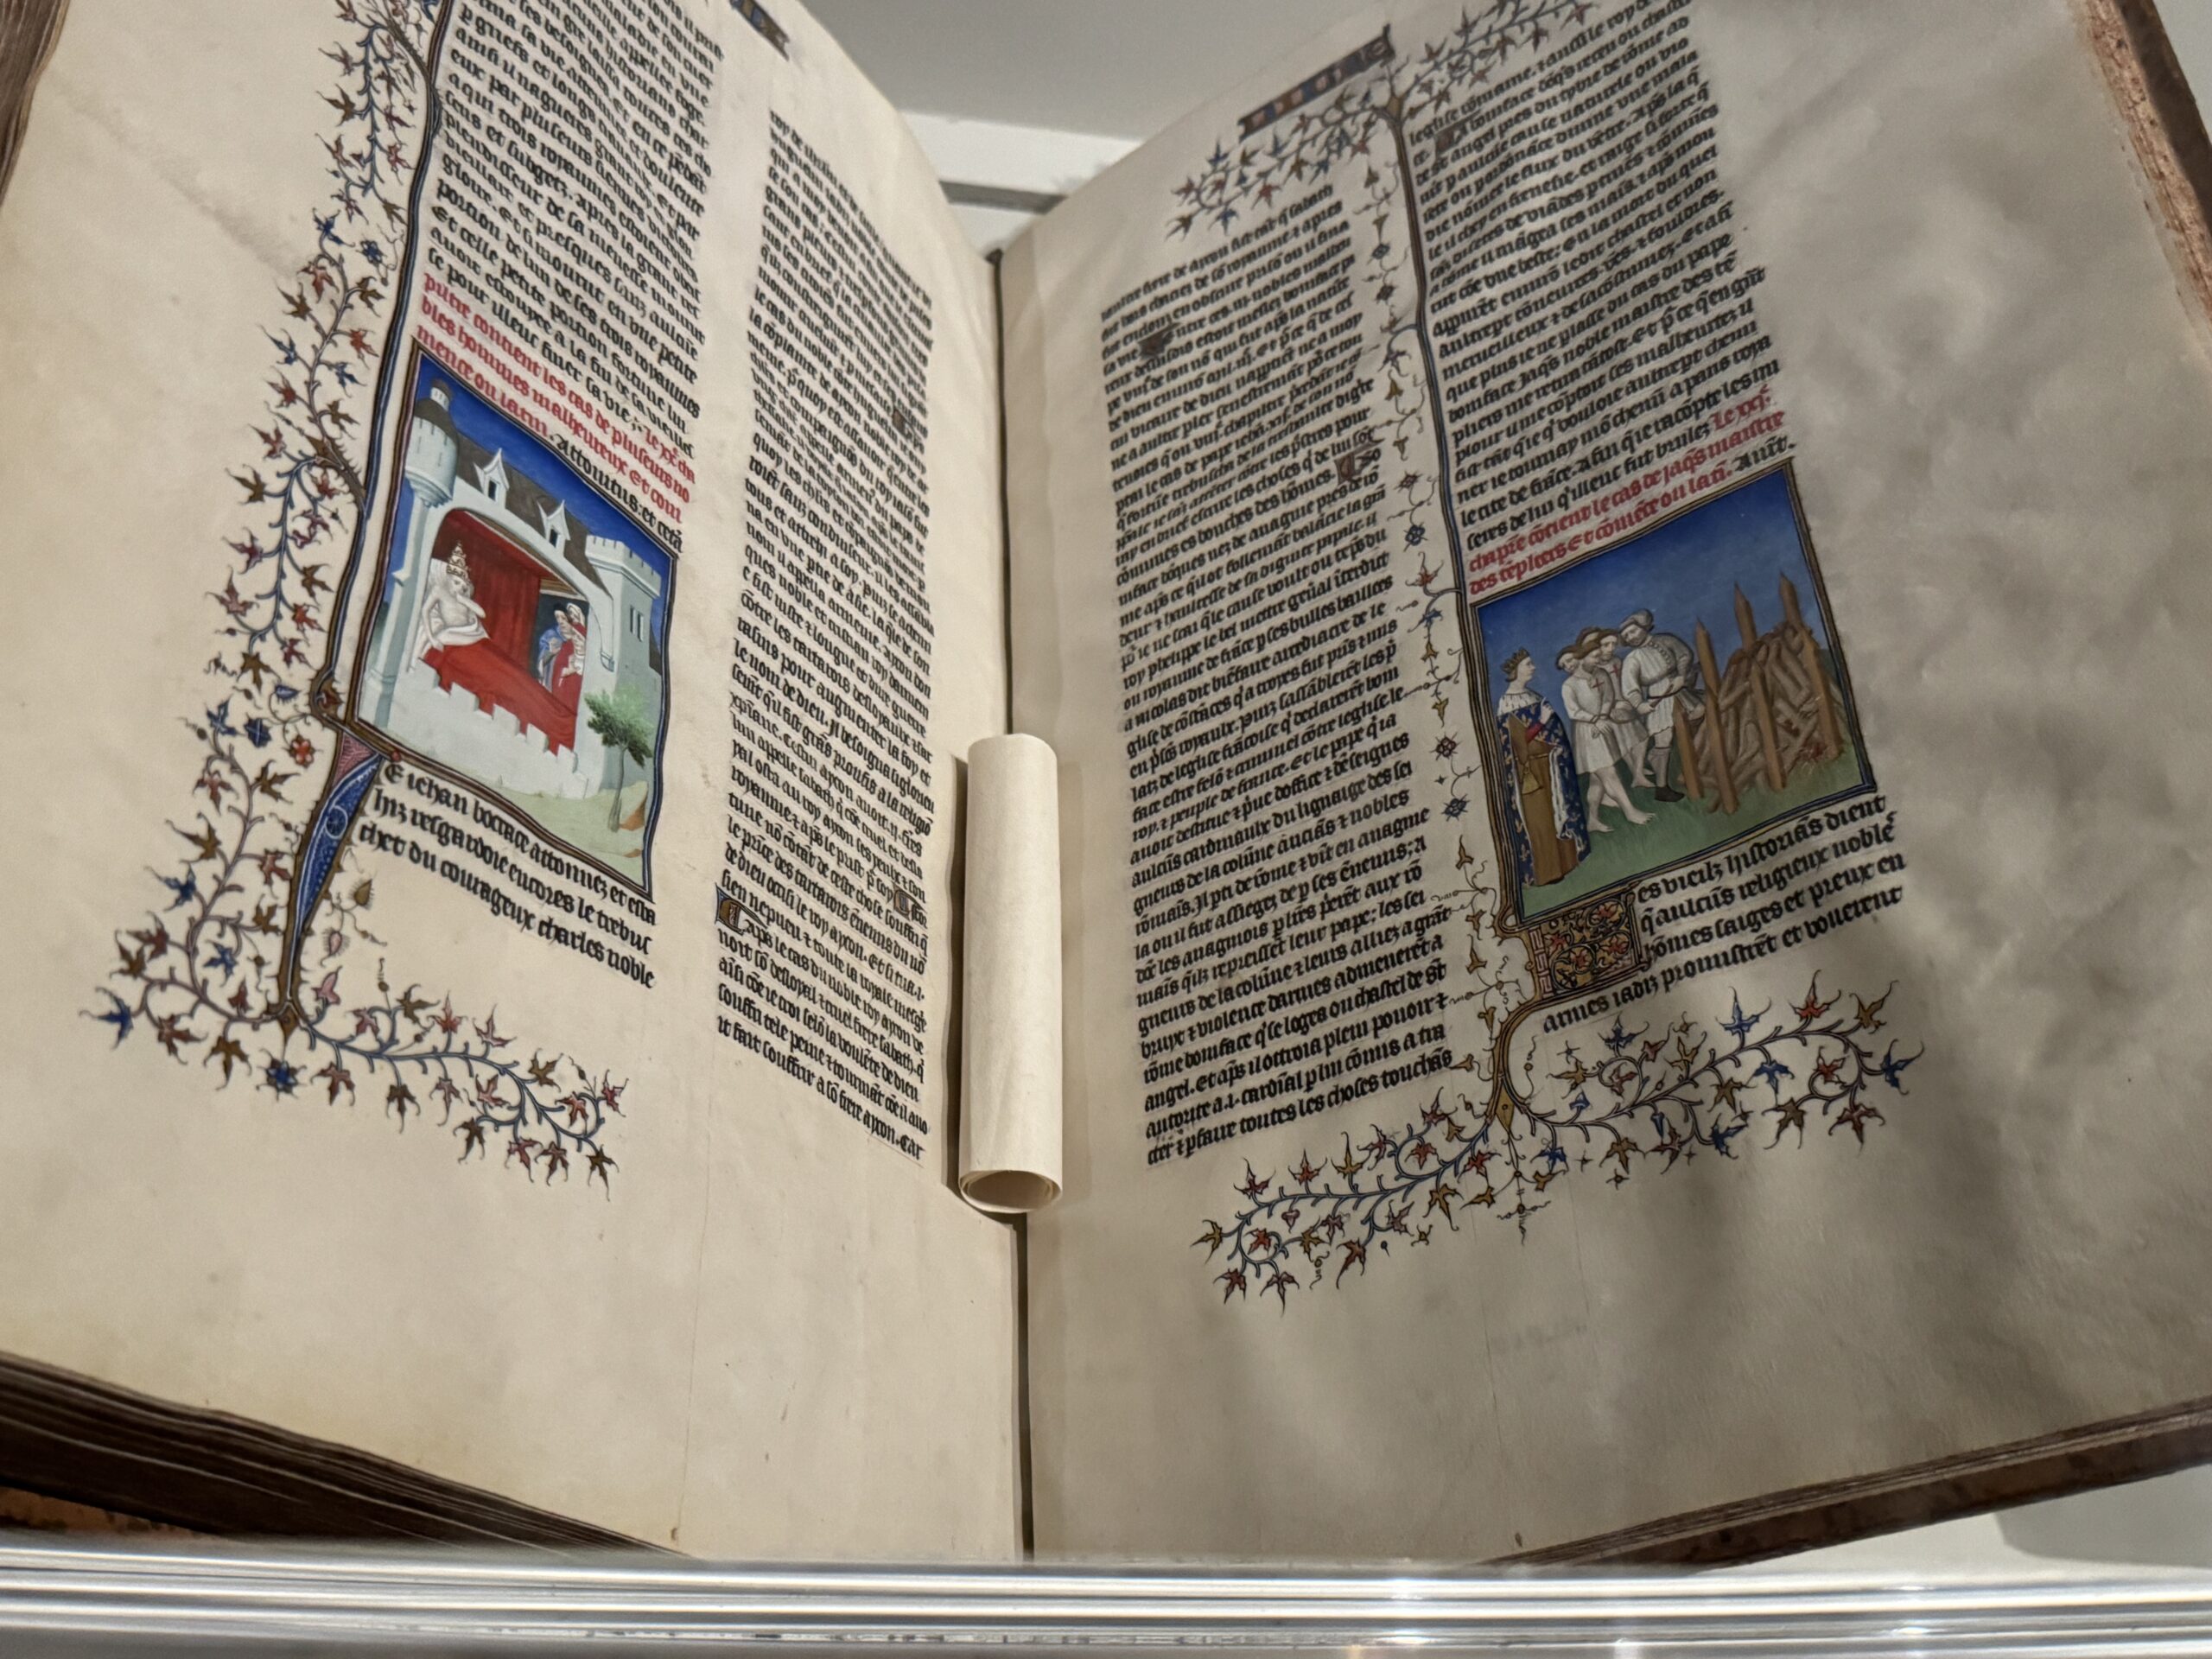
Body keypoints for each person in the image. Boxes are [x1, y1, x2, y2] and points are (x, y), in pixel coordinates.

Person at [1495, 649, 1586, 886]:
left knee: (1556, 814)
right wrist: (1542, 721)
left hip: (1549, 766)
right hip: (1530, 773)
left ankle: (1566, 863)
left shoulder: (1531, 695)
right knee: (1540, 821)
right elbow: (1517, 744)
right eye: (1528, 664)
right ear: (1516, 670)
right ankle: (1546, 872)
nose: (1533, 667)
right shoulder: (1506, 703)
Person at [1560, 643, 1652, 830]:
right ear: (1582, 657)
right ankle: (1630, 812)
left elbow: (1608, 698)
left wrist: (1602, 717)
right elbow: (1573, 711)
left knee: (1597, 780)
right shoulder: (1569, 685)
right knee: (1608, 773)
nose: (1598, 659)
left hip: (1602, 726)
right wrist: (1594, 720)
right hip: (1587, 733)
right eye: (1594, 656)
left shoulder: (1601, 674)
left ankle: (1592, 820)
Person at [1618, 609, 1701, 802]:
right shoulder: (1632, 659)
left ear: (1644, 627)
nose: (1631, 637)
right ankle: (1662, 787)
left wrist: (1681, 676)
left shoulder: (1666, 639)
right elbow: (1630, 687)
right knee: (1663, 739)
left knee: (1699, 711)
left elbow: (1684, 654)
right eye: (1626, 636)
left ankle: (1697, 755)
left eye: (1633, 631)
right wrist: (1639, 705)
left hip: (1679, 689)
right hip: (1658, 697)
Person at [411, 550, 487, 660]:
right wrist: (432, 638)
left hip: (469, 631)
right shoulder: (439, 590)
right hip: (451, 632)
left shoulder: (463, 596)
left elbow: (482, 614)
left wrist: (464, 600)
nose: (459, 588)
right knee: (441, 636)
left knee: (443, 637)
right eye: (456, 582)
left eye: (463, 586)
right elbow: (425, 610)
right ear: (448, 578)